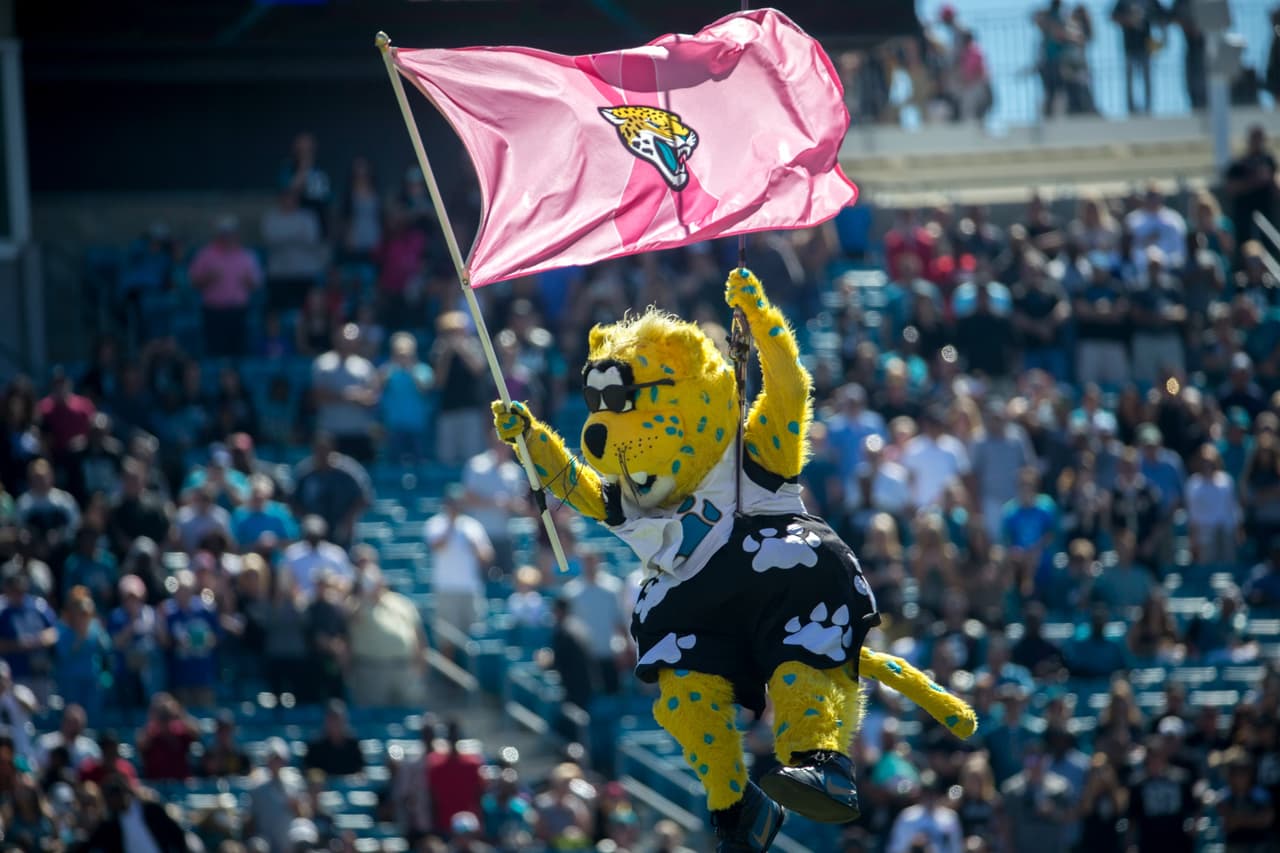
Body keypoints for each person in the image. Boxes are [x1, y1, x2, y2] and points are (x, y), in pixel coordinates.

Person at [346, 563, 427, 707]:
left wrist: (420, 664)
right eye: (368, 579)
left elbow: (417, 634)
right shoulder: (356, 604)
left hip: (404, 667)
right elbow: (350, 619)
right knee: (374, 714)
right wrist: (365, 595)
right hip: (373, 669)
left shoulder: (401, 602)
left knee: (409, 712)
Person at [424, 488, 493, 650]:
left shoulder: (473, 526)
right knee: (447, 639)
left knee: (473, 639)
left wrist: (476, 548)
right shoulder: (436, 523)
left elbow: (487, 557)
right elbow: (436, 546)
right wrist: (451, 526)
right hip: (446, 588)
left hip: (470, 588)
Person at [188, 215, 263, 358]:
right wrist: (208, 278)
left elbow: (256, 284)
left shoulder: (247, 256)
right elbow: (193, 282)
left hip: (238, 312)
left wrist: (249, 282)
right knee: (215, 352)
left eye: (230, 233)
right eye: (224, 234)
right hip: (213, 311)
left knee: (238, 352)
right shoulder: (205, 255)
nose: (227, 237)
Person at [561, 546, 629, 696]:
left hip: (608, 654)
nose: (589, 564)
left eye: (592, 560)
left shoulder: (613, 588)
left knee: (612, 694)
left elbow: (620, 620)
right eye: (586, 561)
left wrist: (624, 648)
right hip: (583, 656)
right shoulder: (572, 591)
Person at [290, 434, 373, 550]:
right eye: (318, 450)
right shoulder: (305, 473)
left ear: (332, 449)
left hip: (341, 528)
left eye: (325, 450)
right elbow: (292, 501)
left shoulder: (348, 471)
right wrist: (306, 519)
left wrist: (348, 520)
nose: (322, 454)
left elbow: (364, 498)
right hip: (313, 533)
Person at [462, 430, 526, 575]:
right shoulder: (476, 465)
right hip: (480, 534)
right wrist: (494, 502)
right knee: (481, 577)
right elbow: (468, 498)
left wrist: (512, 504)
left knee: (507, 575)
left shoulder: (515, 471)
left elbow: (520, 505)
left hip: (504, 533)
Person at [431, 311, 489, 465]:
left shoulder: (474, 345)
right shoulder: (439, 350)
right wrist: (447, 355)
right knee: (447, 457)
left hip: (470, 409)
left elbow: (478, 369)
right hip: (448, 409)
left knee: (472, 456)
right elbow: (439, 382)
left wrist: (461, 349)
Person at [156, 569, 219, 708]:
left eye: (187, 589)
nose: (184, 594)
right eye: (181, 589)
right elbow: (164, 642)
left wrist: (203, 640)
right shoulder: (168, 612)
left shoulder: (205, 610)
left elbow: (215, 638)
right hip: (179, 675)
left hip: (202, 673)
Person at [83, 772, 189, 853]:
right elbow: (91, 844)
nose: (111, 802)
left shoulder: (150, 810)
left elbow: (176, 834)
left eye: (114, 796)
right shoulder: (111, 824)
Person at [1000, 741, 1076, 853]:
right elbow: (1006, 825)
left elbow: (1071, 817)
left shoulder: (1061, 787)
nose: (1035, 765)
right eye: (1031, 760)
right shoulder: (1011, 790)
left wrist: (1053, 812)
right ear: (1024, 760)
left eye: (1040, 759)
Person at [1127, 735, 1197, 853]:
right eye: (1151, 756)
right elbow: (1132, 818)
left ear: (1164, 757)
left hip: (1177, 843)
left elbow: (1192, 808)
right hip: (1149, 844)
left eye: (1157, 756)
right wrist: (1130, 844)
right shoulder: (1138, 784)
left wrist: (1193, 825)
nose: (1154, 760)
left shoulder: (1181, 779)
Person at [261, 188, 326, 312]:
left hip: (305, 273)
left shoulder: (308, 218)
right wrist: (296, 236)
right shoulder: (270, 218)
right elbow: (270, 239)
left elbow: (312, 240)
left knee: (307, 310)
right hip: (279, 274)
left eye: (292, 198)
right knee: (277, 310)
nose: (289, 201)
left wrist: (283, 237)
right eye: (286, 198)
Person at [0, 566, 58, 702]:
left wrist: (36, 641)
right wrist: (18, 645)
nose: (18, 593)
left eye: (20, 589)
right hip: (13, 672)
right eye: (13, 589)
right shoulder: (2, 610)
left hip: (39, 671)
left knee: (43, 710)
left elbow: (54, 632)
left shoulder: (38, 606)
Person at [381, 331, 434, 464]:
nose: (403, 357)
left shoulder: (423, 370)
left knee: (420, 464)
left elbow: (425, 389)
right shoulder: (387, 371)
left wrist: (411, 369)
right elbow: (377, 387)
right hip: (394, 428)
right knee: (394, 464)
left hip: (418, 427)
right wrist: (390, 368)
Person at [427, 720, 485, 836]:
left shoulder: (473, 764)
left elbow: (479, 794)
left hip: (469, 824)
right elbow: (433, 797)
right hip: (445, 823)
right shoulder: (436, 765)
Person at [1225, 125, 1279, 245]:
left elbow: (1275, 184)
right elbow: (1231, 188)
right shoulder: (1238, 164)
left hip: (1267, 215)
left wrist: (1269, 179)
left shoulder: (1268, 161)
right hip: (1245, 218)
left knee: (1270, 244)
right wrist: (1254, 180)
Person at [886, 770, 964, 853]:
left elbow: (957, 849)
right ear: (920, 794)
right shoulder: (907, 817)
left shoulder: (950, 818)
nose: (930, 797)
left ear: (938, 793)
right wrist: (913, 846)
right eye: (926, 793)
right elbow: (895, 849)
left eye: (933, 792)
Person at [248, 737, 303, 853]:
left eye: (278, 759)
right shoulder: (257, 788)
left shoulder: (294, 785)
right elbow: (252, 818)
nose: (275, 763)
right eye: (272, 759)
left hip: (287, 842)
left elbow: (302, 815)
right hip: (265, 842)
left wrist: (296, 807)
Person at [1112, 0, 1160, 114]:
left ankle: (1148, 107)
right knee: (1130, 79)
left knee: (1147, 78)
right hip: (1129, 48)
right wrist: (1128, 20)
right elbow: (1113, 16)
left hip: (1146, 47)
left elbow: (1162, 15)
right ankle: (1131, 108)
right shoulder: (1123, 2)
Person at [303, 699, 364, 777]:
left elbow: (360, 772)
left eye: (337, 719)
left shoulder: (354, 745)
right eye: (331, 719)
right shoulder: (315, 746)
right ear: (326, 722)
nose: (334, 724)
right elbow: (309, 771)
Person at [201, 711, 252, 778]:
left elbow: (248, 775)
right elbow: (202, 778)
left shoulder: (241, 755)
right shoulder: (208, 755)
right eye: (221, 730)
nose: (224, 734)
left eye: (227, 729)